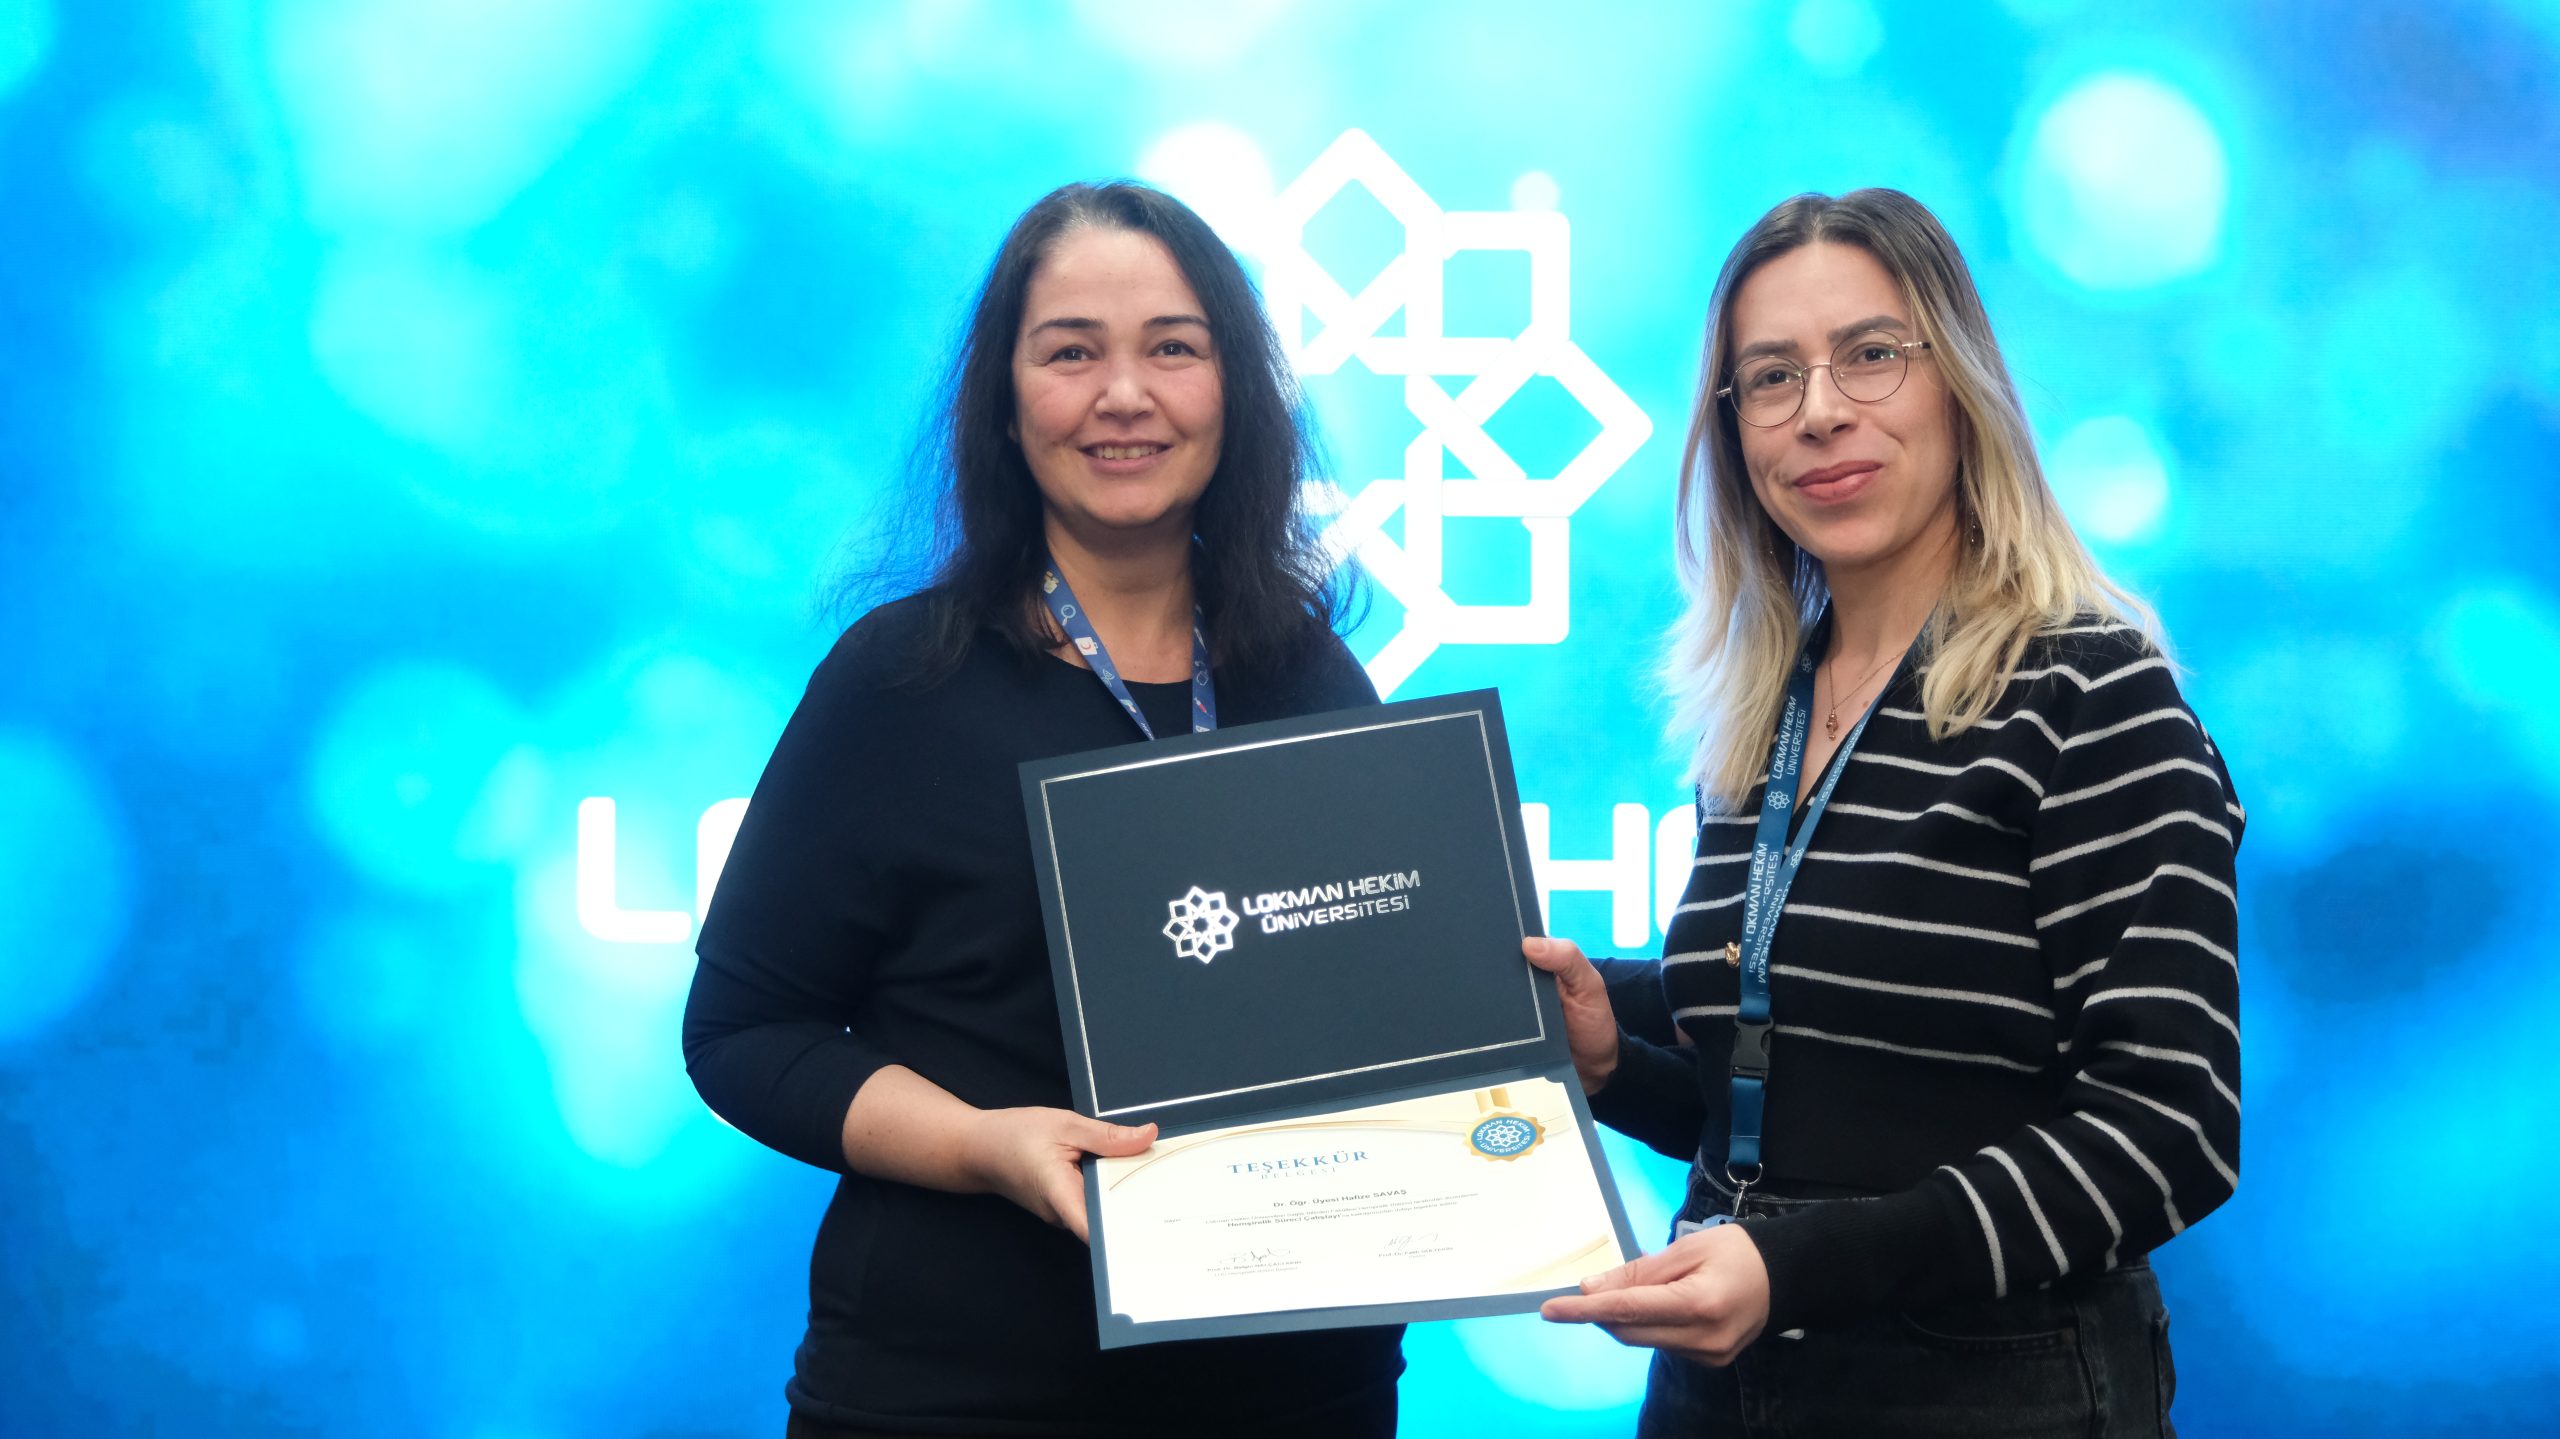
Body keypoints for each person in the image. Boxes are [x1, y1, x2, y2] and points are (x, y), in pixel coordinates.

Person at [682, 181, 1402, 1437]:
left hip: (1295, 1392)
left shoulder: (1310, 675)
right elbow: (745, 1032)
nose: (1123, 394)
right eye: (1071, 352)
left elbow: (1395, 1015)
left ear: (1235, 390)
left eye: (1172, 348)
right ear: (1006, 404)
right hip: (958, 1392)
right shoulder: (901, 681)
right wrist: (982, 1144)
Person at [1526, 189, 2241, 1437]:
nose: (1818, 411)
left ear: (1958, 384)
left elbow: (2169, 1128)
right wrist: (1609, 1064)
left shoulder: (2090, 693)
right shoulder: (1763, 714)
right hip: (1721, 1390)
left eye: (1868, 354)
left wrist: (1793, 1270)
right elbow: (1802, 1104)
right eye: (1770, 377)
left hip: (1990, 1389)